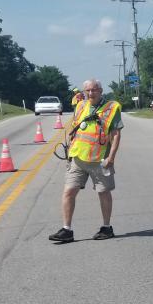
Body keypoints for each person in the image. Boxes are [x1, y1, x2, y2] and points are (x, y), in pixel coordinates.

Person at [49, 79, 123, 243]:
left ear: (101, 90)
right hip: (78, 157)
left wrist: (111, 157)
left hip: (100, 159)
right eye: (88, 90)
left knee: (103, 193)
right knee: (69, 191)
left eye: (94, 90)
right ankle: (67, 230)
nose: (91, 93)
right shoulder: (81, 105)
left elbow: (116, 134)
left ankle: (106, 227)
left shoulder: (111, 108)